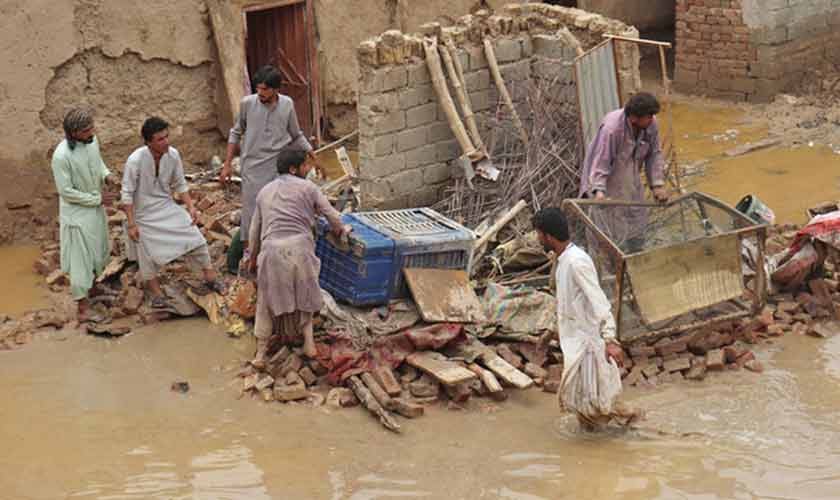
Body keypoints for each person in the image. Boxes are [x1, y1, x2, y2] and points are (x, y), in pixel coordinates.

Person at [533, 207, 638, 431]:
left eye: (539, 234)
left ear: (548, 236)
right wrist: (550, 331)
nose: (538, 238)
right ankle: (620, 434)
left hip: (589, 346)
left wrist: (610, 339)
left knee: (599, 407)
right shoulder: (563, 261)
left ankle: (639, 431)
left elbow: (598, 301)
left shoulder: (576, 262)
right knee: (589, 408)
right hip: (576, 345)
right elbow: (566, 304)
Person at [247, 150, 350, 365]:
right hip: (301, 248)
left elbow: (254, 231)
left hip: (272, 250)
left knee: (265, 302)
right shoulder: (309, 188)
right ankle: (309, 345)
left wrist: (252, 258)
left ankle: (260, 354)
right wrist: (341, 230)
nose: (308, 169)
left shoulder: (264, 191)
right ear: (294, 169)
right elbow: (331, 215)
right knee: (307, 296)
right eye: (305, 165)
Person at [121, 117, 225, 307]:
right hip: (141, 214)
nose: (166, 142)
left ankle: (210, 277)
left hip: (166, 206)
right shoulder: (135, 160)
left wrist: (191, 207)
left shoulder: (173, 155)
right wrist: (131, 224)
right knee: (145, 250)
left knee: (195, 236)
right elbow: (126, 193)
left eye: (167, 137)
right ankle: (156, 292)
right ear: (148, 142)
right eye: (160, 139)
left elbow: (180, 183)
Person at [220, 65, 313, 258]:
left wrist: (311, 153)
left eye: (265, 89)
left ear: (276, 89)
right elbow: (235, 132)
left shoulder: (287, 105)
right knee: (251, 213)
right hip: (252, 168)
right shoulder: (247, 104)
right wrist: (227, 164)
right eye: (258, 88)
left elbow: (296, 134)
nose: (260, 92)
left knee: (277, 210)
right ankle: (249, 257)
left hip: (277, 168)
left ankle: (272, 254)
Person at [579, 92, 669, 252]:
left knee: (637, 221)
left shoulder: (650, 124)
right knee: (607, 231)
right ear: (633, 118)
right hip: (607, 181)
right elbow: (601, 162)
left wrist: (657, 185)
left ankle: (635, 257)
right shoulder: (612, 129)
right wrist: (599, 191)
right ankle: (610, 263)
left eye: (652, 116)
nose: (652, 119)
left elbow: (654, 154)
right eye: (648, 116)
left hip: (630, 176)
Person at [51, 108, 116, 322]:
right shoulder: (61, 156)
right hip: (77, 215)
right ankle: (82, 308)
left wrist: (107, 176)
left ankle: (95, 288)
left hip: (94, 209)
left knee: (98, 251)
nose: (92, 132)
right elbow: (66, 192)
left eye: (92, 127)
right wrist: (97, 199)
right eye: (87, 130)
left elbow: (98, 163)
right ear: (74, 133)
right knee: (80, 260)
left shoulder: (92, 141)